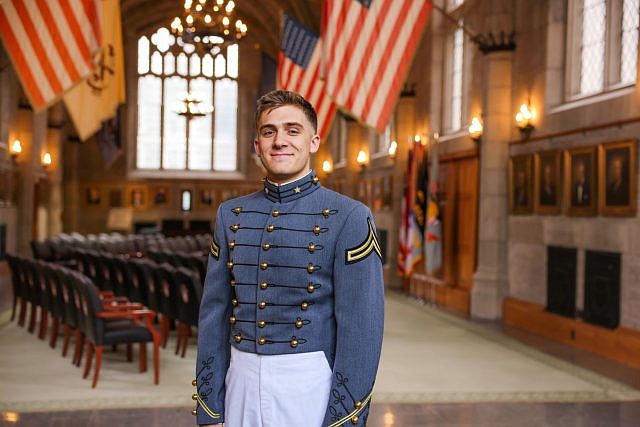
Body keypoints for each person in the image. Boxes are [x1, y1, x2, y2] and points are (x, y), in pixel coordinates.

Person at [192, 90, 385, 427]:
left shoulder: (350, 216)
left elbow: (362, 330)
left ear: (313, 141)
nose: (280, 140)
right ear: (257, 145)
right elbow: (213, 316)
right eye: (269, 131)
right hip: (240, 382)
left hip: (309, 385)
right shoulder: (230, 214)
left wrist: (345, 418)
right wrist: (210, 408)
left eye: (293, 130)